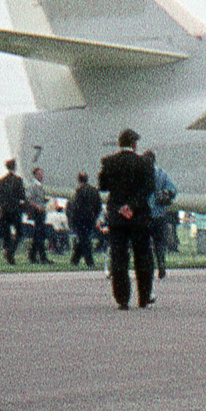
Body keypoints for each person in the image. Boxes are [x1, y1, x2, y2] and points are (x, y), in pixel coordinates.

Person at [98, 128, 156, 310]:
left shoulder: (108, 163)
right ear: (134, 144)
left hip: (117, 216)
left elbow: (103, 187)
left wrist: (122, 206)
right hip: (139, 217)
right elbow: (149, 189)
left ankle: (122, 297)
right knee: (143, 257)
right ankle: (144, 297)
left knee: (119, 257)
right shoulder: (144, 164)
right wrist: (132, 206)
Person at [143, 151, 178, 279]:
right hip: (159, 213)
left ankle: (148, 268)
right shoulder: (162, 174)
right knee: (159, 242)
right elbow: (173, 190)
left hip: (145, 214)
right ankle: (161, 263)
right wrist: (165, 192)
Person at [69, 172, 102, 267]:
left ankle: (90, 261)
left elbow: (76, 207)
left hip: (81, 220)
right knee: (84, 239)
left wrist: (73, 221)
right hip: (91, 220)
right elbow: (98, 206)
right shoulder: (94, 191)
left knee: (84, 240)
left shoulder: (79, 191)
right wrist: (94, 216)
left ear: (79, 180)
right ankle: (74, 260)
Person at [0, 160, 25, 264]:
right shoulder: (18, 181)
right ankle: (11, 252)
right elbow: (22, 196)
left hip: (4, 210)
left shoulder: (1, 181)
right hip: (15, 210)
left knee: (6, 233)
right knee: (20, 233)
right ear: (15, 167)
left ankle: (8, 250)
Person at [26, 166, 52, 263]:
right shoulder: (33, 186)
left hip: (41, 212)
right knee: (39, 234)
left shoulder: (40, 186)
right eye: (40, 174)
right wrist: (37, 206)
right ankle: (42, 257)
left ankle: (33, 256)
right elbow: (29, 199)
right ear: (36, 175)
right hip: (37, 212)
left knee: (39, 235)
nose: (42, 176)